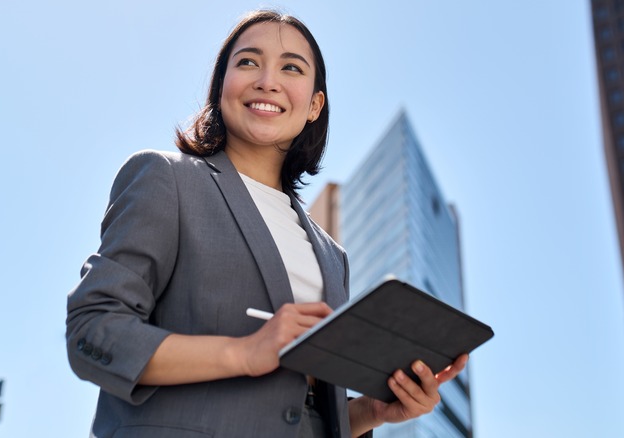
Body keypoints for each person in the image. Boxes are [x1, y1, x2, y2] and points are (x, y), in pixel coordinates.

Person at [66, 9, 468, 438]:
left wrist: (371, 412)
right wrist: (244, 352)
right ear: (222, 87)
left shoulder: (333, 257)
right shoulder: (166, 179)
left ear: (315, 105)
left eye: (291, 68)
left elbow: (298, 413)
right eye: (247, 62)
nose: (267, 81)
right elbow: (94, 332)